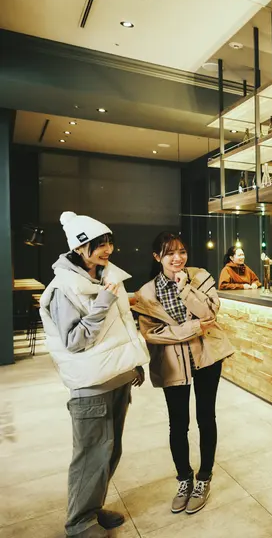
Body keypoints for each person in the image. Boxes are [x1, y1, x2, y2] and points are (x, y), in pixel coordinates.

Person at [39, 212, 148, 538]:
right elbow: (75, 341)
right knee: (91, 455)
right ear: (78, 247)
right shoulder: (64, 288)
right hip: (91, 386)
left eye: (108, 242)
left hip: (117, 377)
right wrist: (103, 302)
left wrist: (134, 363)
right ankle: (79, 523)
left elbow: (123, 326)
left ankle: (92, 507)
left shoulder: (106, 277)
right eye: (98, 244)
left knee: (110, 452)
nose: (107, 250)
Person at [132, 232, 234, 515]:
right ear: (157, 257)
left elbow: (210, 313)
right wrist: (192, 329)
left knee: (206, 417)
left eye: (182, 252)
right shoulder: (146, 293)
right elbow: (152, 333)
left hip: (207, 356)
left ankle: (204, 478)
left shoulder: (199, 276)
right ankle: (184, 479)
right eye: (169, 253)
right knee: (178, 423)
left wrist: (185, 288)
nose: (177, 258)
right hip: (171, 362)